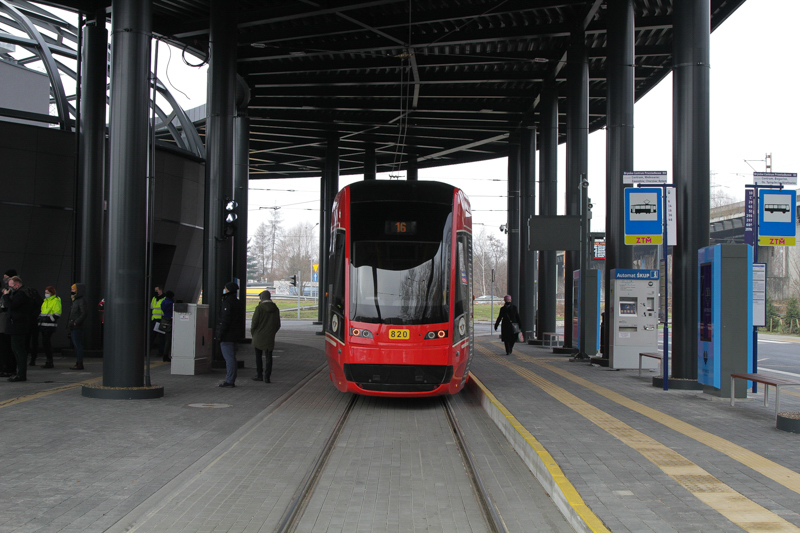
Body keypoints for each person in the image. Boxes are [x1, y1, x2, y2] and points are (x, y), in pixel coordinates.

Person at [2, 276, 33, 381]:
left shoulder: (21, 294)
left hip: (18, 326)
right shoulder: (19, 293)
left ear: (17, 285)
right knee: (16, 349)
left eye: (11, 286)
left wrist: (6, 296)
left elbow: (12, 305)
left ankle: (21, 374)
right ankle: (19, 373)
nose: (9, 288)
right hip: (16, 325)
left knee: (18, 350)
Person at [250, 290, 281, 383]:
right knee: (269, 357)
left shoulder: (259, 308)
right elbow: (278, 324)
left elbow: (254, 323)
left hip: (258, 336)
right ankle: (267, 377)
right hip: (270, 336)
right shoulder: (276, 309)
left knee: (258, 357)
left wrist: (254, 333)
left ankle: (259, 375)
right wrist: (272, 332)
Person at [216, 282, 242, 387]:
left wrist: (219, 334)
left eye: (225, 288)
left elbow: (225, 320)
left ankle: (230, 380)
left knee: (229, 358)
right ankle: (231, 379)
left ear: (229, 290)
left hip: (228, 335)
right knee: (232, 357)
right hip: (235, 334)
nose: (224, 289)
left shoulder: (227, 302)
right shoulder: (237, 302)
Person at [38, 286, 62, 368]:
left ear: (52, 293)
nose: (46, 294)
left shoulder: (55, 301)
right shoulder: (45, 301)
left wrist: (49, 319)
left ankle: (49, 361)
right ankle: (49, 360)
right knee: (45, 342)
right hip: (44, 324)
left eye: (47, 293)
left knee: (46, 342)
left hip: (49, 325)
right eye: (45, 293)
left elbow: (57, 313)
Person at [67, 283, 88, 370]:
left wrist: (76, 322)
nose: (72, 291)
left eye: (73, 289)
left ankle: (79, 362)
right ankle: (78, 362)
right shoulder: (75, 300)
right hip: (73, 325)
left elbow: (84, 313)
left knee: (77, 344)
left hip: (76, 326)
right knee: (76, 344)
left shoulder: (81, 300)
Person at [0, 272, 14, 377]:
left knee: (6, 346)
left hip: (5, 323)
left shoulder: (10, 292)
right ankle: (6, 367)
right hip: (5, 323)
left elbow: (9, 305)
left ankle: (7, 367)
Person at [159, 290, 174, 362]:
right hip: (170, 321)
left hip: (164, 320)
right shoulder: (171, 303)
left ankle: (164, 354)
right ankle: (166, 355)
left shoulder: (163, 302)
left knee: (166, 339)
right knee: (169, 340)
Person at [150, 286, 165, 350]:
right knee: (151, 336)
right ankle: (149, 350)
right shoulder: (154, 298)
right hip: (154, 319)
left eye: (157, 290)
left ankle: (161, 351)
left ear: (160, 290)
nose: (155, 292)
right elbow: (151, 307)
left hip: (160, 319)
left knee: (161, 336)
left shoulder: (164, 299)